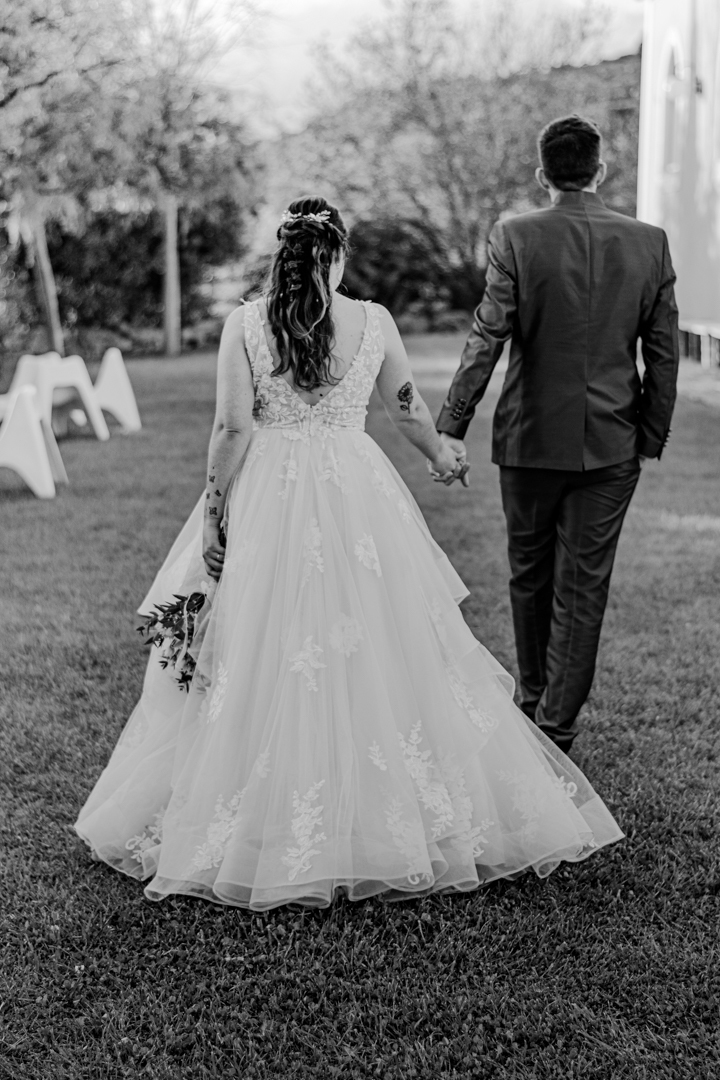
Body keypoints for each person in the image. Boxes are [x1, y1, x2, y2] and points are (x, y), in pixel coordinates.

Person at [75, 196, 623, 912]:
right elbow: (406, 407)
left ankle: (260, 810)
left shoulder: (246, 324)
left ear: (283, 256)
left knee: (266, 643)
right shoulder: (374, 320)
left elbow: (232, 429)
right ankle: (384, 808)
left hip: (267, 493)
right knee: (376, 638)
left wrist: (214, 515)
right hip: (356, 492)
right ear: (337, 256)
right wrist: (442, 456)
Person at [437, 115, 680, 755]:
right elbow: (664, 353)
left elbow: (487, 336)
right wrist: (648, 436)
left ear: (542, 173)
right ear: (601, 170)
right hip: (612, 442)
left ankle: (533, 706)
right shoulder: (649, 242)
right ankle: (554, 728)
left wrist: (452, 425)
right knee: (583, 587)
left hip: (528, 440)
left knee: (529, 576)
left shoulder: (514, 235)